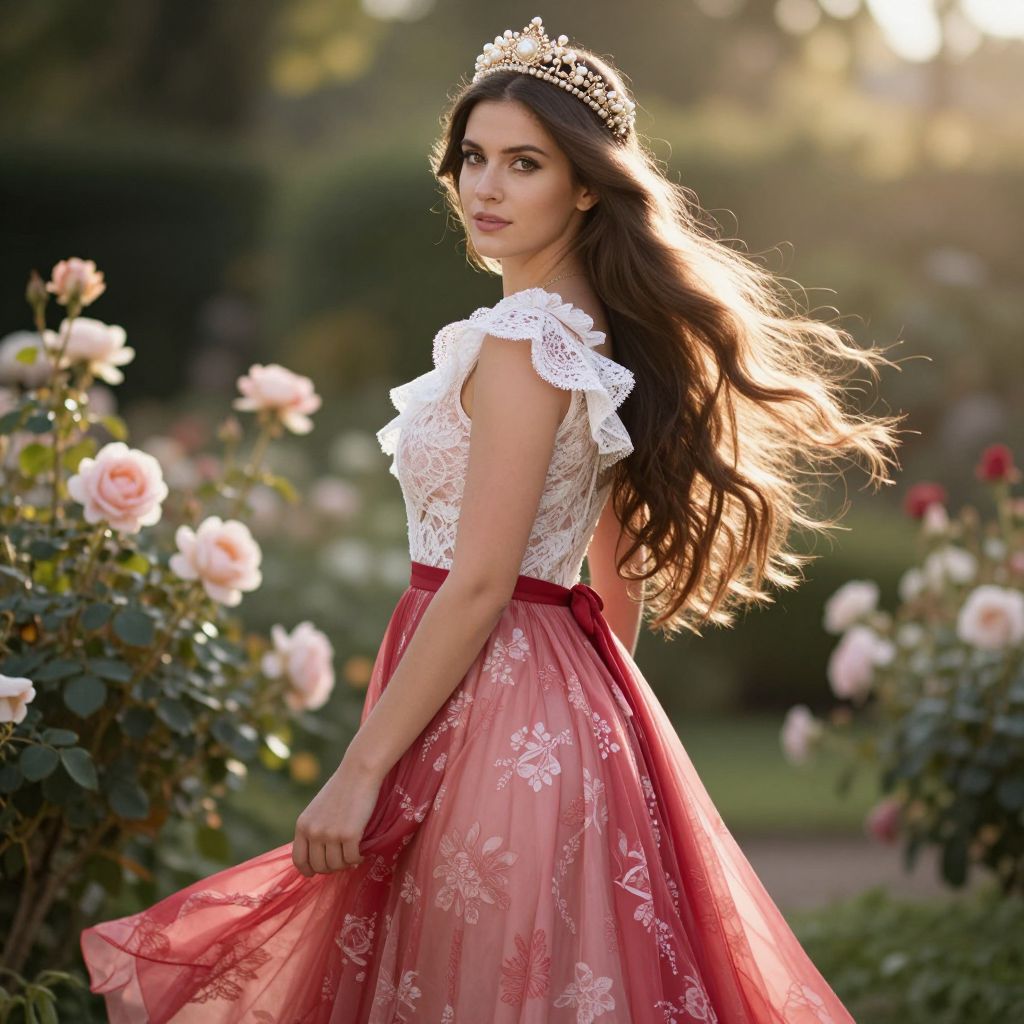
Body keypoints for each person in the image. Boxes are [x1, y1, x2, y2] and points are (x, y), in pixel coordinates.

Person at [81, 15, 904, 1022]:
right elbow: (616, 582)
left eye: (525, 164)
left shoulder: (523, 342)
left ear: (587, 185)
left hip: (493, 712)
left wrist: (360, 769)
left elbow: (477, 579)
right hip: (566, 710)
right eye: (473, 159)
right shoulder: (588, 341)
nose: (485, 187)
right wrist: (604, 738)